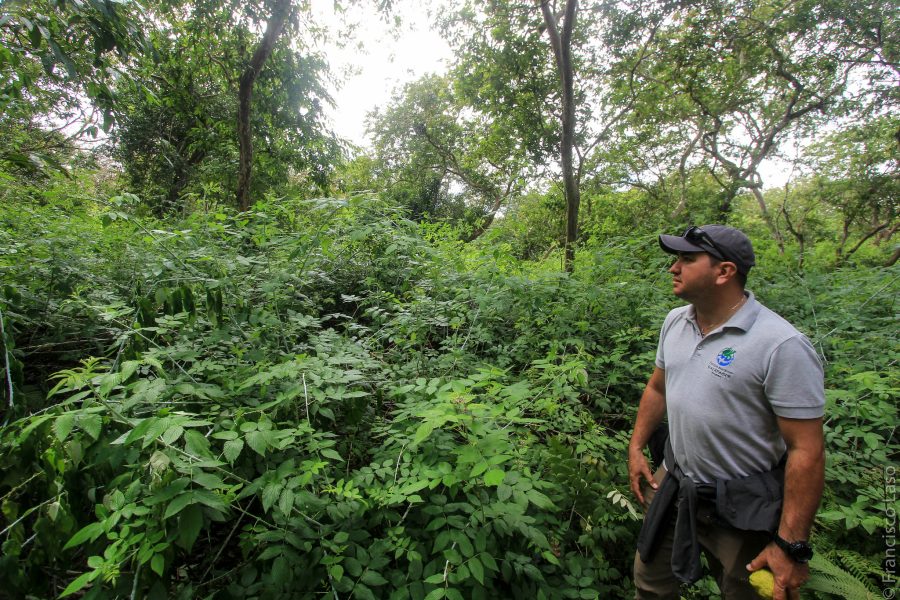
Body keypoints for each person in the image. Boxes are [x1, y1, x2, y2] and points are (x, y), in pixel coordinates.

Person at [628, 225, 826, 600]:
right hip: (675, 485)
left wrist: (790, 545)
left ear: (724, 272)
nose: (674, 267)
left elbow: (806, 450)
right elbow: (658, 387)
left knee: (743, 591)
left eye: (687, 259)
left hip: (743, 504)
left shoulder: (780, 345)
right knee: (650, 583)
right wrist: (637, 446)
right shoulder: (676, 320)